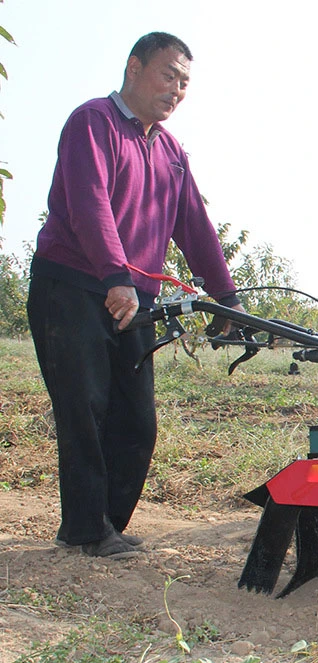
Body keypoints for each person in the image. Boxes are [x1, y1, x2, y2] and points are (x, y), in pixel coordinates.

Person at [27, 32, 244, 559]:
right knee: (85, 410)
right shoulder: (93, 122)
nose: (177, 90)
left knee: (136, 422)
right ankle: (86, 530)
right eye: (169, 75)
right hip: (74, 285)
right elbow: (89, 202)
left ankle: (107, 523)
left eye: (185, 82)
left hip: (133, 297)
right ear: (134, 68)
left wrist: (227, 298)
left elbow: (193, 224)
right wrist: (113, 274)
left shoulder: (170, 152)